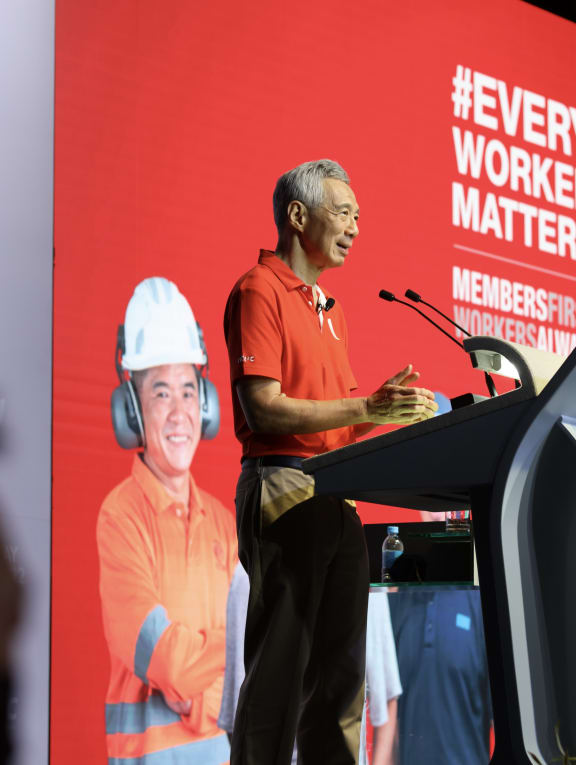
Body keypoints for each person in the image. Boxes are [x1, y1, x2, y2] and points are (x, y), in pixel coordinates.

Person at [223, 159, 437, 764]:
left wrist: (382, 412)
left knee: (343, 684)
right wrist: (364, 403)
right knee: (278, 681)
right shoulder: (258, 290)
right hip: (284, 490)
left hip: (338, 494)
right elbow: (265, 409)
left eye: (358, 218)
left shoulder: (330, 308)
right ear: (298, 215)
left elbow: (336, 420)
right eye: (344, 213)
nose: (355, 228)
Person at [97, 277, 237, 764]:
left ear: (205, 401)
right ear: (132, 410)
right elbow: (164, 659)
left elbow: (255, 659)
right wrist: (220, 657)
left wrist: (197, 689)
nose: (179, 413)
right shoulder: (120, 518)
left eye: (187, 390)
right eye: (160, 393)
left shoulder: (224, 523)